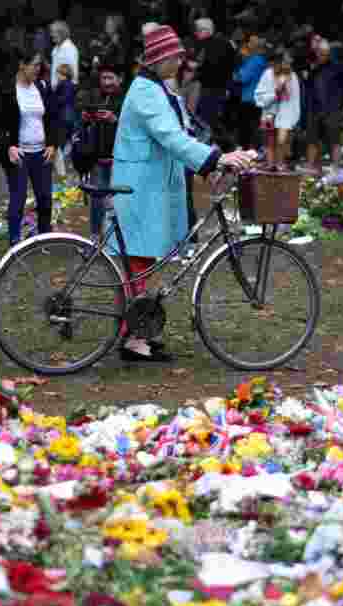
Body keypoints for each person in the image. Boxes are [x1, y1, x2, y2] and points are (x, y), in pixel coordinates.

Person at [110, 24, 256, 363]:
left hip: (148, 182)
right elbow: (172, 138)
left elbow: (187, 130)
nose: (179, 62)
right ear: (160, 58)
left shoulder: (158, 88)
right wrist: (217, 159)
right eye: (175, 56)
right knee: (139, 258)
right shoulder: (147, 93)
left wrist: (221, 155)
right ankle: (133, 338)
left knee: (144, 259)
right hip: (140, 184)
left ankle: (138, 329)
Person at [0, 47, 61, 245]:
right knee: (18, 198)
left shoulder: (42, 87)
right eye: (35, 65)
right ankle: (14, 240)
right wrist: (9, 146)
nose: (38, 69)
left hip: (41, 152)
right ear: (22, 65)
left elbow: (53, 118)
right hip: (19, 153)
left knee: (45, 197)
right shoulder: (7, 89)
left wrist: (52, 144)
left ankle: (45, 237)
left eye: (40, 65)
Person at [77, 63, 125, 238]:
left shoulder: (126, 100)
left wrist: (115, 119)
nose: (106, 82)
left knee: (120, 200)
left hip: (120, 159)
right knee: (96, 200)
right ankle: (95, 238)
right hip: (97, 157)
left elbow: (134, 128)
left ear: (119, 79)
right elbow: (83, 123)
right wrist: (86, 118)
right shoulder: (95, 97)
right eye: (103, 78)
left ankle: (120, 239)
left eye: (110, 78)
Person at [304, 39, 343, 174]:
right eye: (320, 53)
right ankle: (311, 167)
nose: (322, 56)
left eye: (325, 53)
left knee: (334, 139)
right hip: (314, 108)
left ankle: (336, 168)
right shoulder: (312, 68)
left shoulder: (337, 67)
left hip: (333, 108)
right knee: (313, 139)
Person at [189, 17, 235, 139]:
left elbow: (211, 66)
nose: (196, 33)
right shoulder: (222, 43)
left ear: (207, 30)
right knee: (210, 119)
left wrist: (196, 69)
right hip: (218, 87)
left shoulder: (213, 45)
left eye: (198, 30)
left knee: (208, 120)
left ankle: (225, 146)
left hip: (212, 88)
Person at [254, 49, 300, 169]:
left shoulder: (292, 76)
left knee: (282, 141)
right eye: (285, 62)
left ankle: (280, 165)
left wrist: (294, 117)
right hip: (269, 112)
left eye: (289, 62)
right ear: (278, 62)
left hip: (286, 114)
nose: (288, 65)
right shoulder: (267, 74)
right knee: (269, 141)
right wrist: (275, 94)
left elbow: (295, 99)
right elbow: (258, 96)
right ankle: (270, 166)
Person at [232, 31, 267, 150]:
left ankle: (249, 151)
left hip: (250, 98)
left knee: (247, 127)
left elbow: (242, 78)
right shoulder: (257, 60)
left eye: (251, 43)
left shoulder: (255, 60)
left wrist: (235, 71)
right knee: (252, 127)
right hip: (255, 98)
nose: (249, 46)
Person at [50, 20, 78, 89]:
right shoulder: (56, 48)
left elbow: (72, 73)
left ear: (62, 33)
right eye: (51, 32)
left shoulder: (69, 49)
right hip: (56, 88)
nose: (51, 35)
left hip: (65, 89)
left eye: (53, 32)